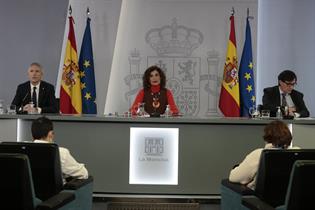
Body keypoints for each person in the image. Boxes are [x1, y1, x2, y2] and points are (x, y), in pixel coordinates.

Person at [229, 120, 298, 190]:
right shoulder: (297, 152)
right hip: (290, 198)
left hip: (261, 199)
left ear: (266, 138)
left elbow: (234, 177)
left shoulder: (259, 154)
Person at [31, 116, 88, 181]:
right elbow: (83, 174)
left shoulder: (23, 151)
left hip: (30, 191)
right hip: (55, 191)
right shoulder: (60, 153)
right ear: (50, 134)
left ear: (33, 136)